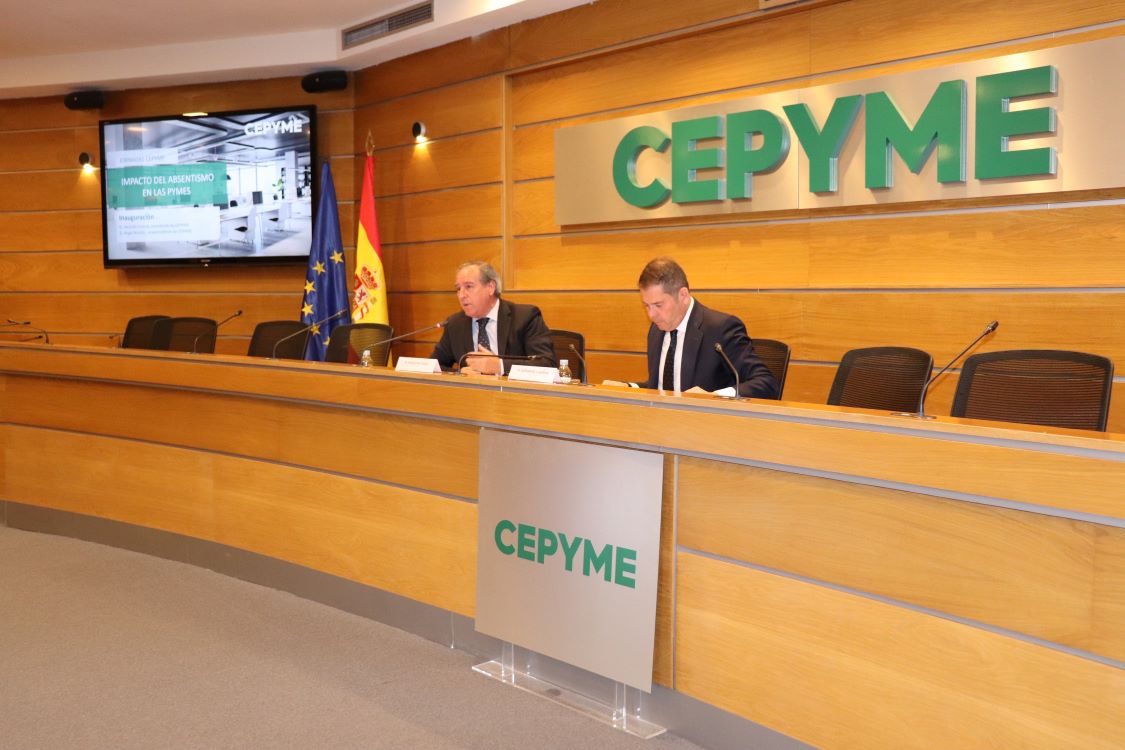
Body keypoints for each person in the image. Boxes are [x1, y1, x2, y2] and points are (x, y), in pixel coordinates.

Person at [626, 257, 779, 398]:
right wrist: (629, 387)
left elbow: (766, 383)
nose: (651, 315)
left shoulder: (721, 329)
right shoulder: (656, 330)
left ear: (683, 295)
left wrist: (713, 396)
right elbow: (665, 387)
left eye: (658, 305)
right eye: (646, 306)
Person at [430, 261, 556, 374]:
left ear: (490, 287)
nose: (461, 295)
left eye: (468, 286)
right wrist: (459, 372)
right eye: (458, 288)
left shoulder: (525, 317)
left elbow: (547, 364)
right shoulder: (455, 324)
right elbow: (433, 366)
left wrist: (500, 366)